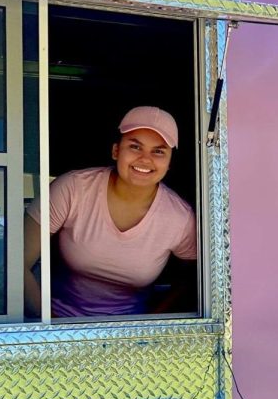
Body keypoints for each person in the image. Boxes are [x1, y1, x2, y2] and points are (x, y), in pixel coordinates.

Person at [24, 106, 197, 317]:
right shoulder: (73, 188)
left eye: (158, 151)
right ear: (116, 151)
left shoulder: (180, 218)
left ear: (169, 163)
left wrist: (149, 325)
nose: (145, 159)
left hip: (131, 335)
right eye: (135, 146)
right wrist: (53, 329)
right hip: (58, 321)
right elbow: (16, 262)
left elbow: (192, 281)